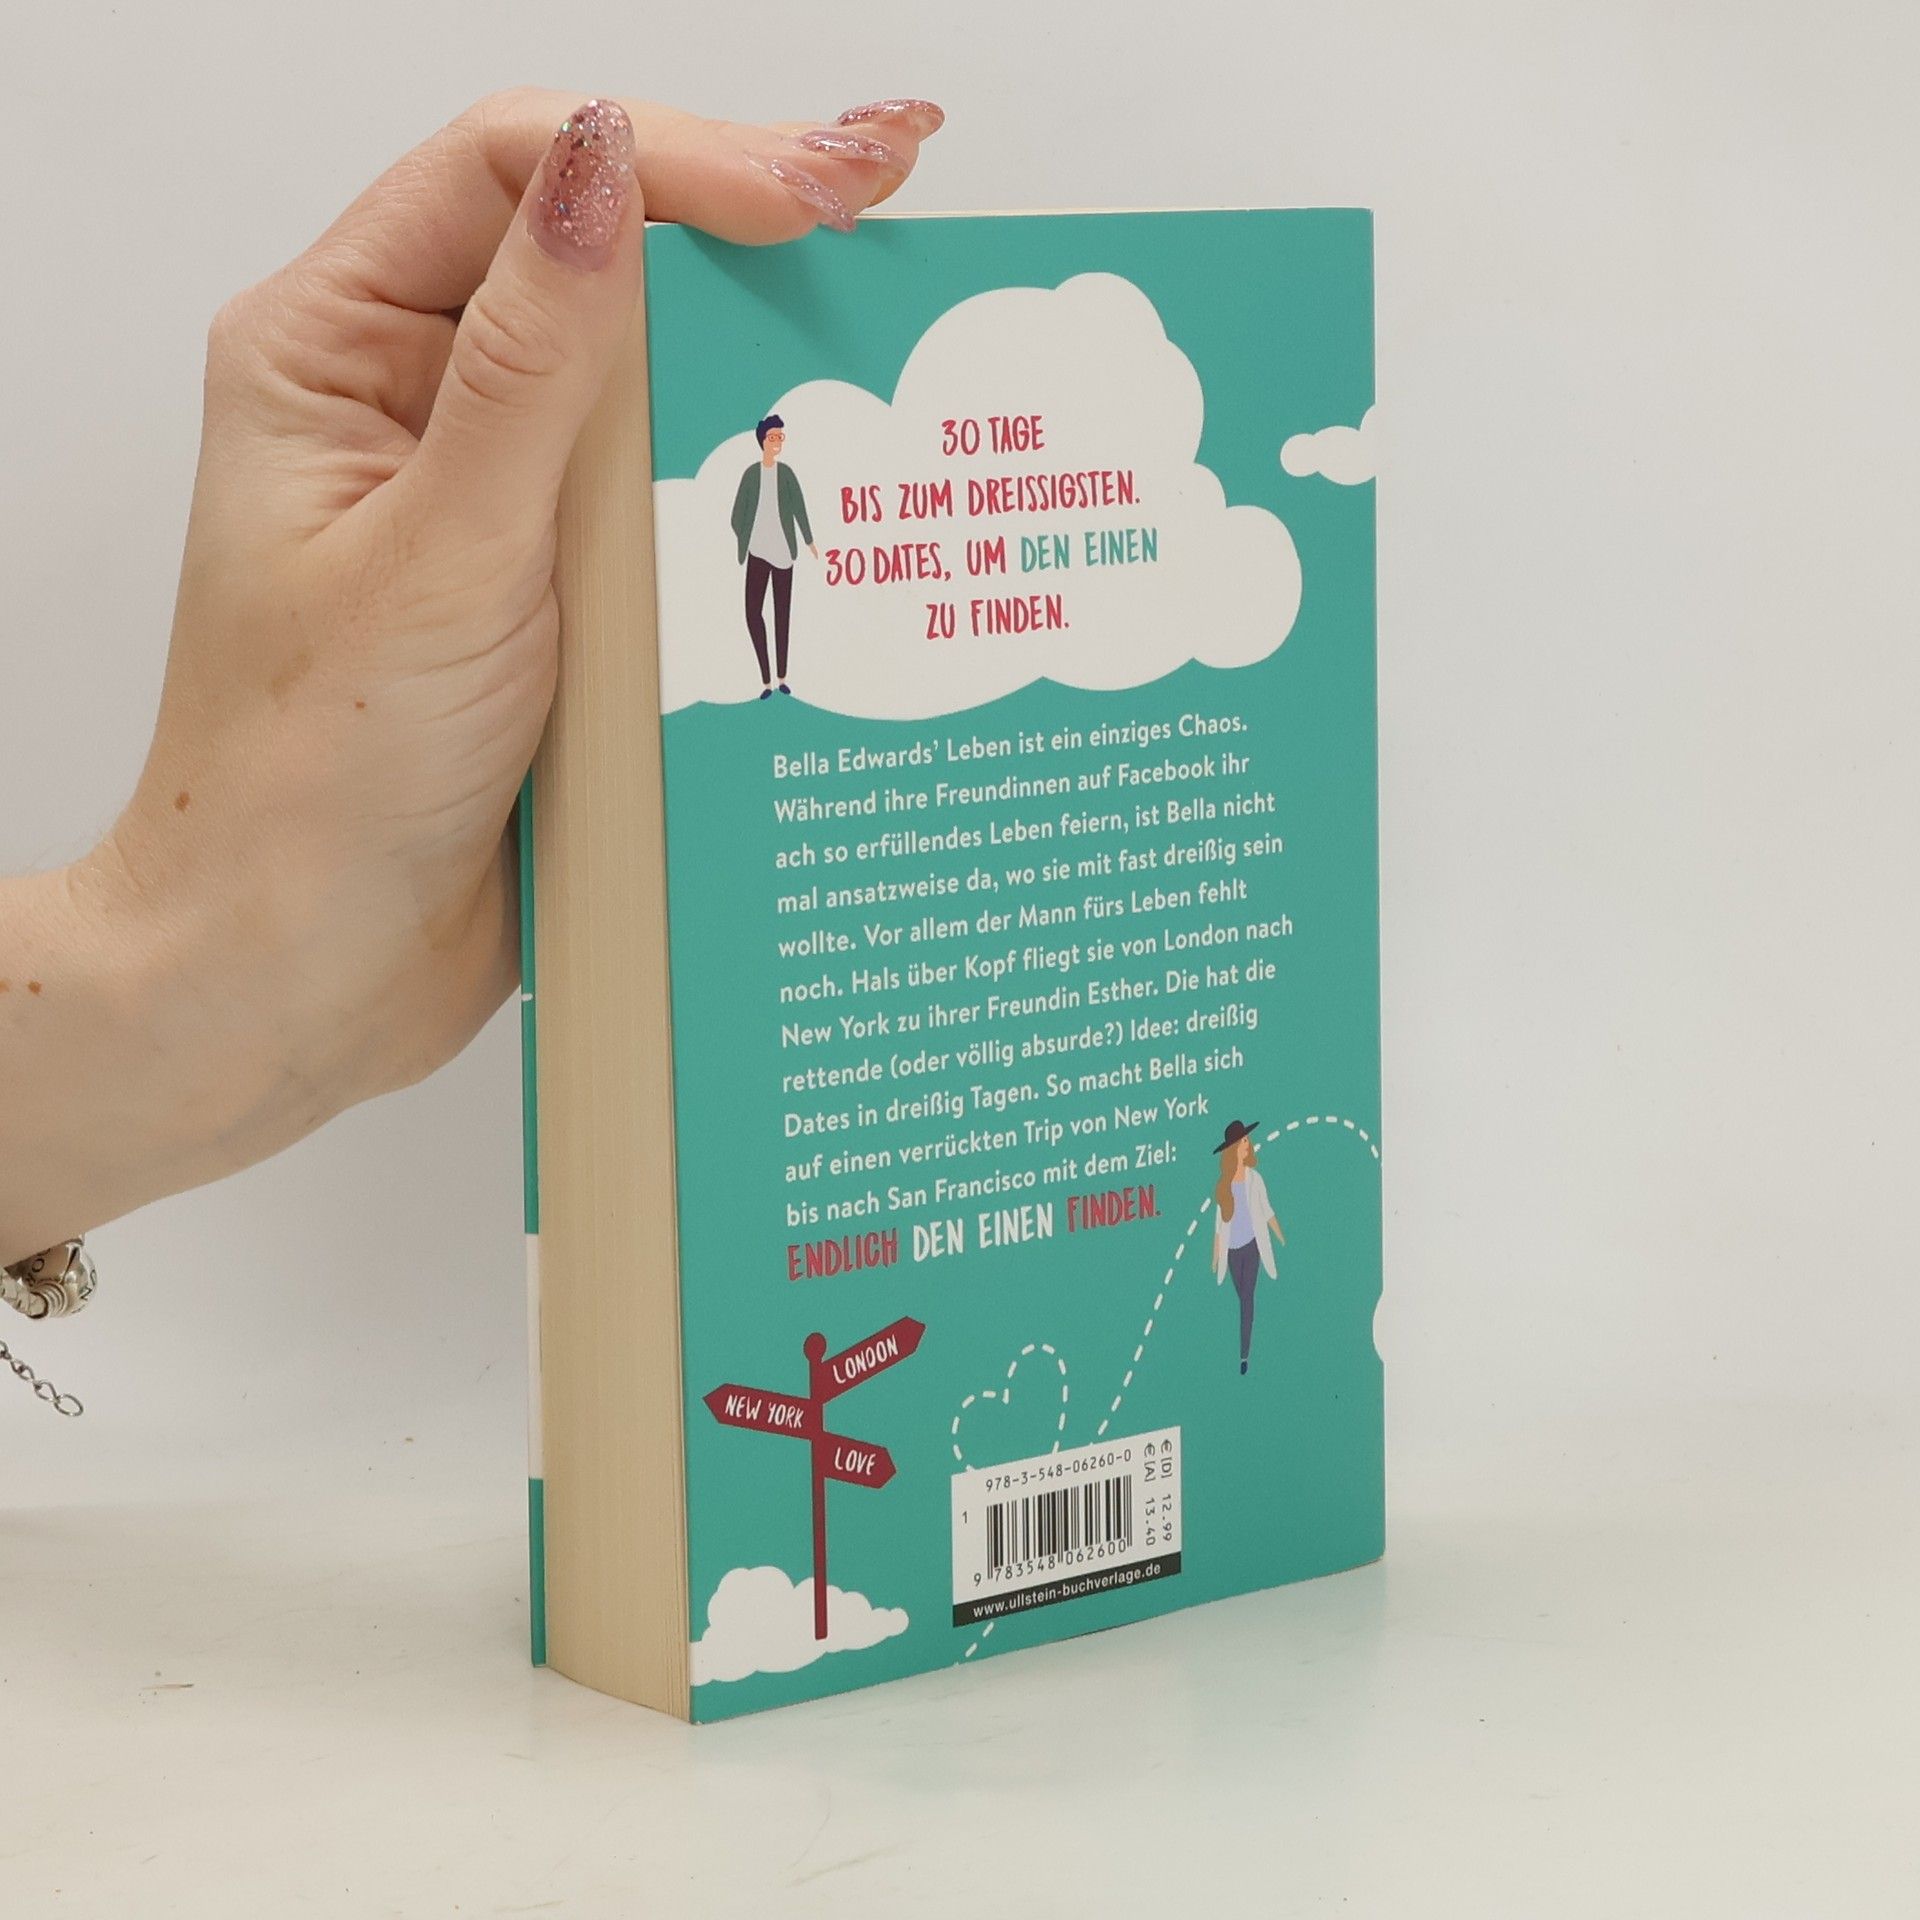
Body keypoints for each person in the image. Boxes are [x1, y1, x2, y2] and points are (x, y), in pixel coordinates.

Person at [0, 90, 942, 1298]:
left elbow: (794, 520)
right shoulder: (742, 476)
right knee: (763, 629)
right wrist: (197, 949)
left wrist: (195, 965)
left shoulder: (784, 484)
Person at [731, 415, 818, 696]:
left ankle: (782, 678)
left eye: (780, 436)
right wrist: (746, 536)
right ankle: (765, 679)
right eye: (773, 437)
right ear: (763, 440)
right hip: (757, 553)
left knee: (782, 615)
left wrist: (809, 540)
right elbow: (737, 514)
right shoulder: (751, 475)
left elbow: (799, 508)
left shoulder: (787, 474)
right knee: (753, 613)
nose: (777, 441)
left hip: (783, 554)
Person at [1210, 1118, 1286, 1374]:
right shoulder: (1224, 1186)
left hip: (1252, 1247)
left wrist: (1279, 1235)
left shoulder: (1255, 1180)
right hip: (1232, 1251)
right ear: (1233, 1149)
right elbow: (1219, 1225)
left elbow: (1267, 1211)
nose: (1247, 1144)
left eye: (1246, 1140)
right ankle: (1244, 1349)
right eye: (1242, 1141)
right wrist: (1215, 1256)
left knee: (1247, 1298)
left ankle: (1244, 1355)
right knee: (1242, 1296)